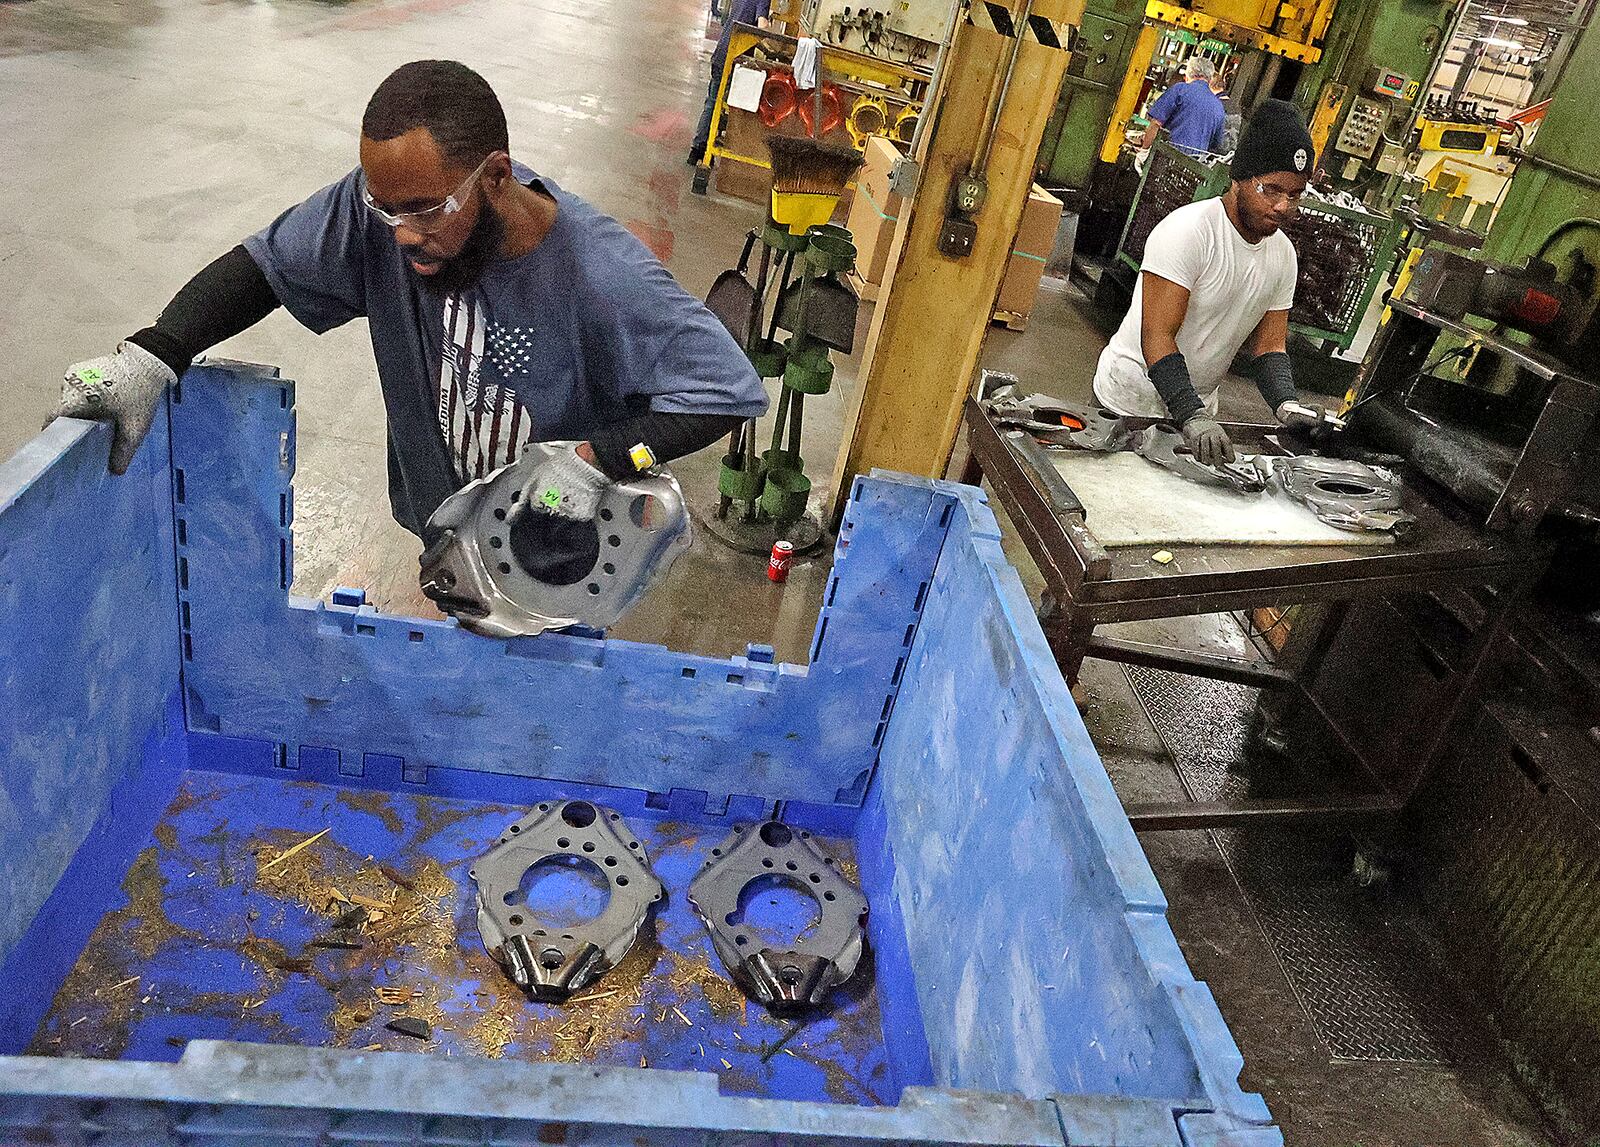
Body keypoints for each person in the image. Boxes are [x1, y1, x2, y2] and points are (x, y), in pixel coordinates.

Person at [54, 60, 767, 541]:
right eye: (384, 209)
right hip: (444, 532)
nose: (399, 235)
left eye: (425, 211)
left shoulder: (602, 276)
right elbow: (263, 267)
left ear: (496, 177)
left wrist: (597, 457)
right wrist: (155, 352)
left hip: (560, 547)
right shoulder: (392, 210)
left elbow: (726, 390)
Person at [1095, 100, 1325, 466]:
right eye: (1272, 190)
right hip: (1132, 398)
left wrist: (1286, 403)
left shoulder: (1282, 255)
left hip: (1197, 408)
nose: (1284, 206)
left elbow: (1269, 346)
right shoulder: (1189, 232)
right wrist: (1192, 414)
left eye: (1294, 195)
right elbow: (1157, 336)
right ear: (1240, 179)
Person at [690, 0, 772, 166]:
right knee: (723, 105)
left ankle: (697, 149)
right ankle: (708, 150)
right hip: (733, 57)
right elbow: (762, 26)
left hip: (722, 52)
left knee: (712, 101)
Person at [1140, 57, 1228, 157]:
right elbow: (1216, 144)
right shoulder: (1218, 106)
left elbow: (1156, 123)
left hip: (1166, 157)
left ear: (1189, 72)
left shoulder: (1180, 89)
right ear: (1210, 77)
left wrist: (1144, 151)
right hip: (1193, 166)